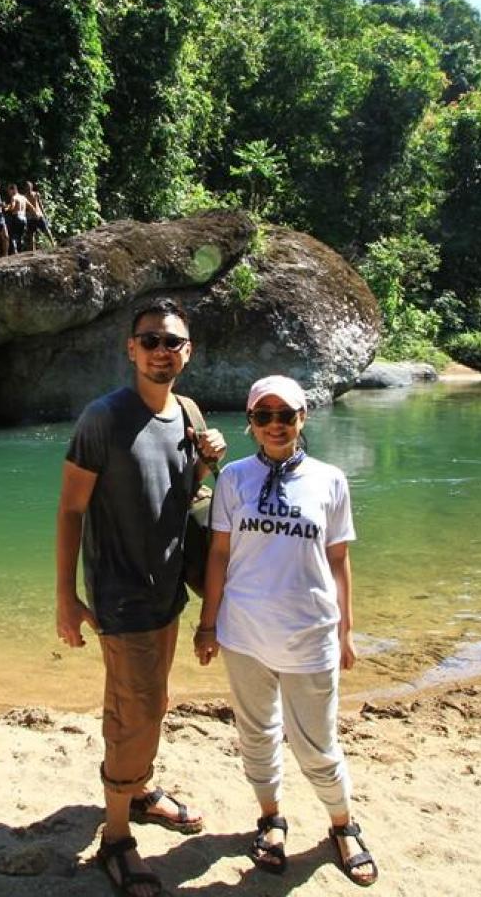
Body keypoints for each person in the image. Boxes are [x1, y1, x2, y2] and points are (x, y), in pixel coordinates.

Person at [56, 298, 228, 897]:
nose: (161, 350)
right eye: (149, 340)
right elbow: (71, 510)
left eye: (171, 342)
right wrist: (66, 597)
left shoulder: (188, 413)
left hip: (166, 588)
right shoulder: (102, 419)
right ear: (131, 350)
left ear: (188, 352)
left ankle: (139, 789)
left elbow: (181, 496)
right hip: (120, 593)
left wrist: (206, 464)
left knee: (149, 700)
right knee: (136, 710)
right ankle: (116, 837)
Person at [194, 375, 378, 887]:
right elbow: (219, 555)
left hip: (311, 632)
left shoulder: (330, 480)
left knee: (317, 744)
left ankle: (343, 825)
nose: (275, 425)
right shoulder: (233, 479)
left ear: (303, 418)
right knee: (256, 734)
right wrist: (207, 624)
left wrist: (345, 631)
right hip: (244, 633)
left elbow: (338, 560)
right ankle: (270, 820)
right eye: (264, 416)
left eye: (285, 415)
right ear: (251, 423)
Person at [24, 180, 53, 251]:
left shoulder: (36, 194)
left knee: (46, 230)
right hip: (30, 217)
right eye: (27, 187)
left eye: (29, 187)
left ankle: (53, 244)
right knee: (31, 234)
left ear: (32, 187)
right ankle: (33, 250)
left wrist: (44, 213)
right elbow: (24, 208)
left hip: (39, 215)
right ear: (25, 188)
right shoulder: (24, 197)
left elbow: (40, 204)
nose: (28, 188)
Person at [6, 181, 28, 253]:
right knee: (21, 236)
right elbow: (30, 206)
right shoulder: (23, 197)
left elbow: (12, 207)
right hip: (24, 217)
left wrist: (6, 208)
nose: (8, 192)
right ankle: (21, 251)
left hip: (17, 217)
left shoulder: (14, 197)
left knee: (13, 236)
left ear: (13, 190)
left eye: (9, 190)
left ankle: (15, 251)